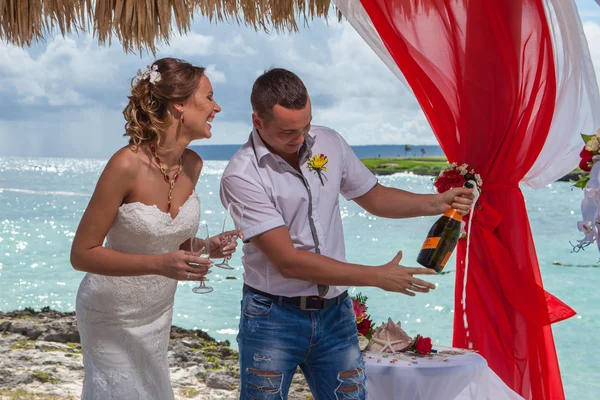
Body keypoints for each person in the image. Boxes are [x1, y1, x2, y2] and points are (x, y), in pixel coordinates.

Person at [220, 68, 475, 400]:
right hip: (273, 318)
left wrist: (435, 203)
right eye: (288, 132)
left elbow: (375, 196)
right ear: (257, 122)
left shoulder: (328, 142)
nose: (300, 139)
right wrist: (377, 276)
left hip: (336, 315)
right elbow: (289, 262)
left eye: (306, 126)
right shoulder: (241, 176)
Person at [71, 57, 237, 399]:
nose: (216, 108)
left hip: (157, 315)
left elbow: (166, 239)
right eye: (208, 97)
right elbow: (82, 254)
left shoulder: (193, 164)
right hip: (110, 315)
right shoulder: (125, 164)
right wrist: (162, 265)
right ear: (179, 105)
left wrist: (206, 246)